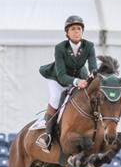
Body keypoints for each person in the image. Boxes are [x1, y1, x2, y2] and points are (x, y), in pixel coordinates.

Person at [36, 15, 98, 150]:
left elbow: (93, 67)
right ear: (67, 33)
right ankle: (48, 136)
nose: (76, 31)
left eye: (79, 29)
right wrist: (77, 82)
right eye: (73, 29)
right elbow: (62, 75)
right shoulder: (60, 48)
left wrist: (93, 74)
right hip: (58, 78)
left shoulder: (89, 46)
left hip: (80, 77)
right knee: (56, 97)